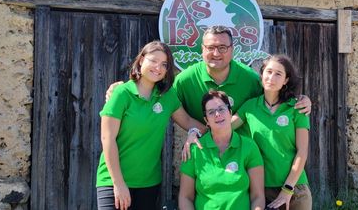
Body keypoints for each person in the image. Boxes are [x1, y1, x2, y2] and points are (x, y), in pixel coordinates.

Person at [106, 26, 312, 150]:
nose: (216, 53)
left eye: (222, 47)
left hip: (243, 158)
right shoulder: (185, 79)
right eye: (210, 47)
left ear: (232, 50)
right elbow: (156, 91)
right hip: (204, 156)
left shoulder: (250, 79)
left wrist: (302, 99)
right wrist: (123, 87)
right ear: (202, 50)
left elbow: (274, 96)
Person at [96, 41, 206, 210]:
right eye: (153, 61)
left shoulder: (167, 97)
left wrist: (202, 131)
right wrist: (118, 184)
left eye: (164, 64)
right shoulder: (121, 93)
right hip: (113, 182)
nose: (158, 68)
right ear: (141, 60)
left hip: (149, 184)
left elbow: (189, 122)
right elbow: (107, 139)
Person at [233, 54, 312, 210]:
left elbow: (302, 151)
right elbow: (223, 128)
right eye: (268, 72)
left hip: (295, 188)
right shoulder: (249, 107)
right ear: (261, 75)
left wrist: (288, 188)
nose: (271, 77)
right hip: (263, 189)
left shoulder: (297, 108)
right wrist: (195, 133)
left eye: (278, 74)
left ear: (286, 81)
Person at [178, 90, 265, 210]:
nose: (217, 114)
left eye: (221, 109)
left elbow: (258, 196)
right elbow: (185, 197)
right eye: (211, 112)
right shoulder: (194, 150)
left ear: (230, 112)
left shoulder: (249, 146)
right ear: (206, 120)